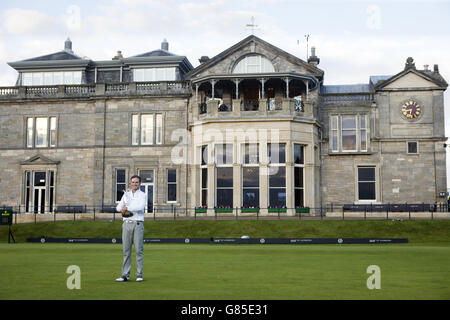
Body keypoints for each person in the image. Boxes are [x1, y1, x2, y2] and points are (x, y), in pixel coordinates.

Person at [115, 175, 146, 282]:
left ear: (140, 183)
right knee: (126, 251)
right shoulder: (126, 194)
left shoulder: (142, 195)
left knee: (138, 250)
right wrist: (123, 209)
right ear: (130, 183)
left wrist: (127, 207)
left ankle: (139, 275)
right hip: (126, 224)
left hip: (137, 224)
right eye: (133, 182)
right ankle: (125, 275)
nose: (134, 184)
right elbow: (118, 207)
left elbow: (140, 207)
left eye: (136, 182)